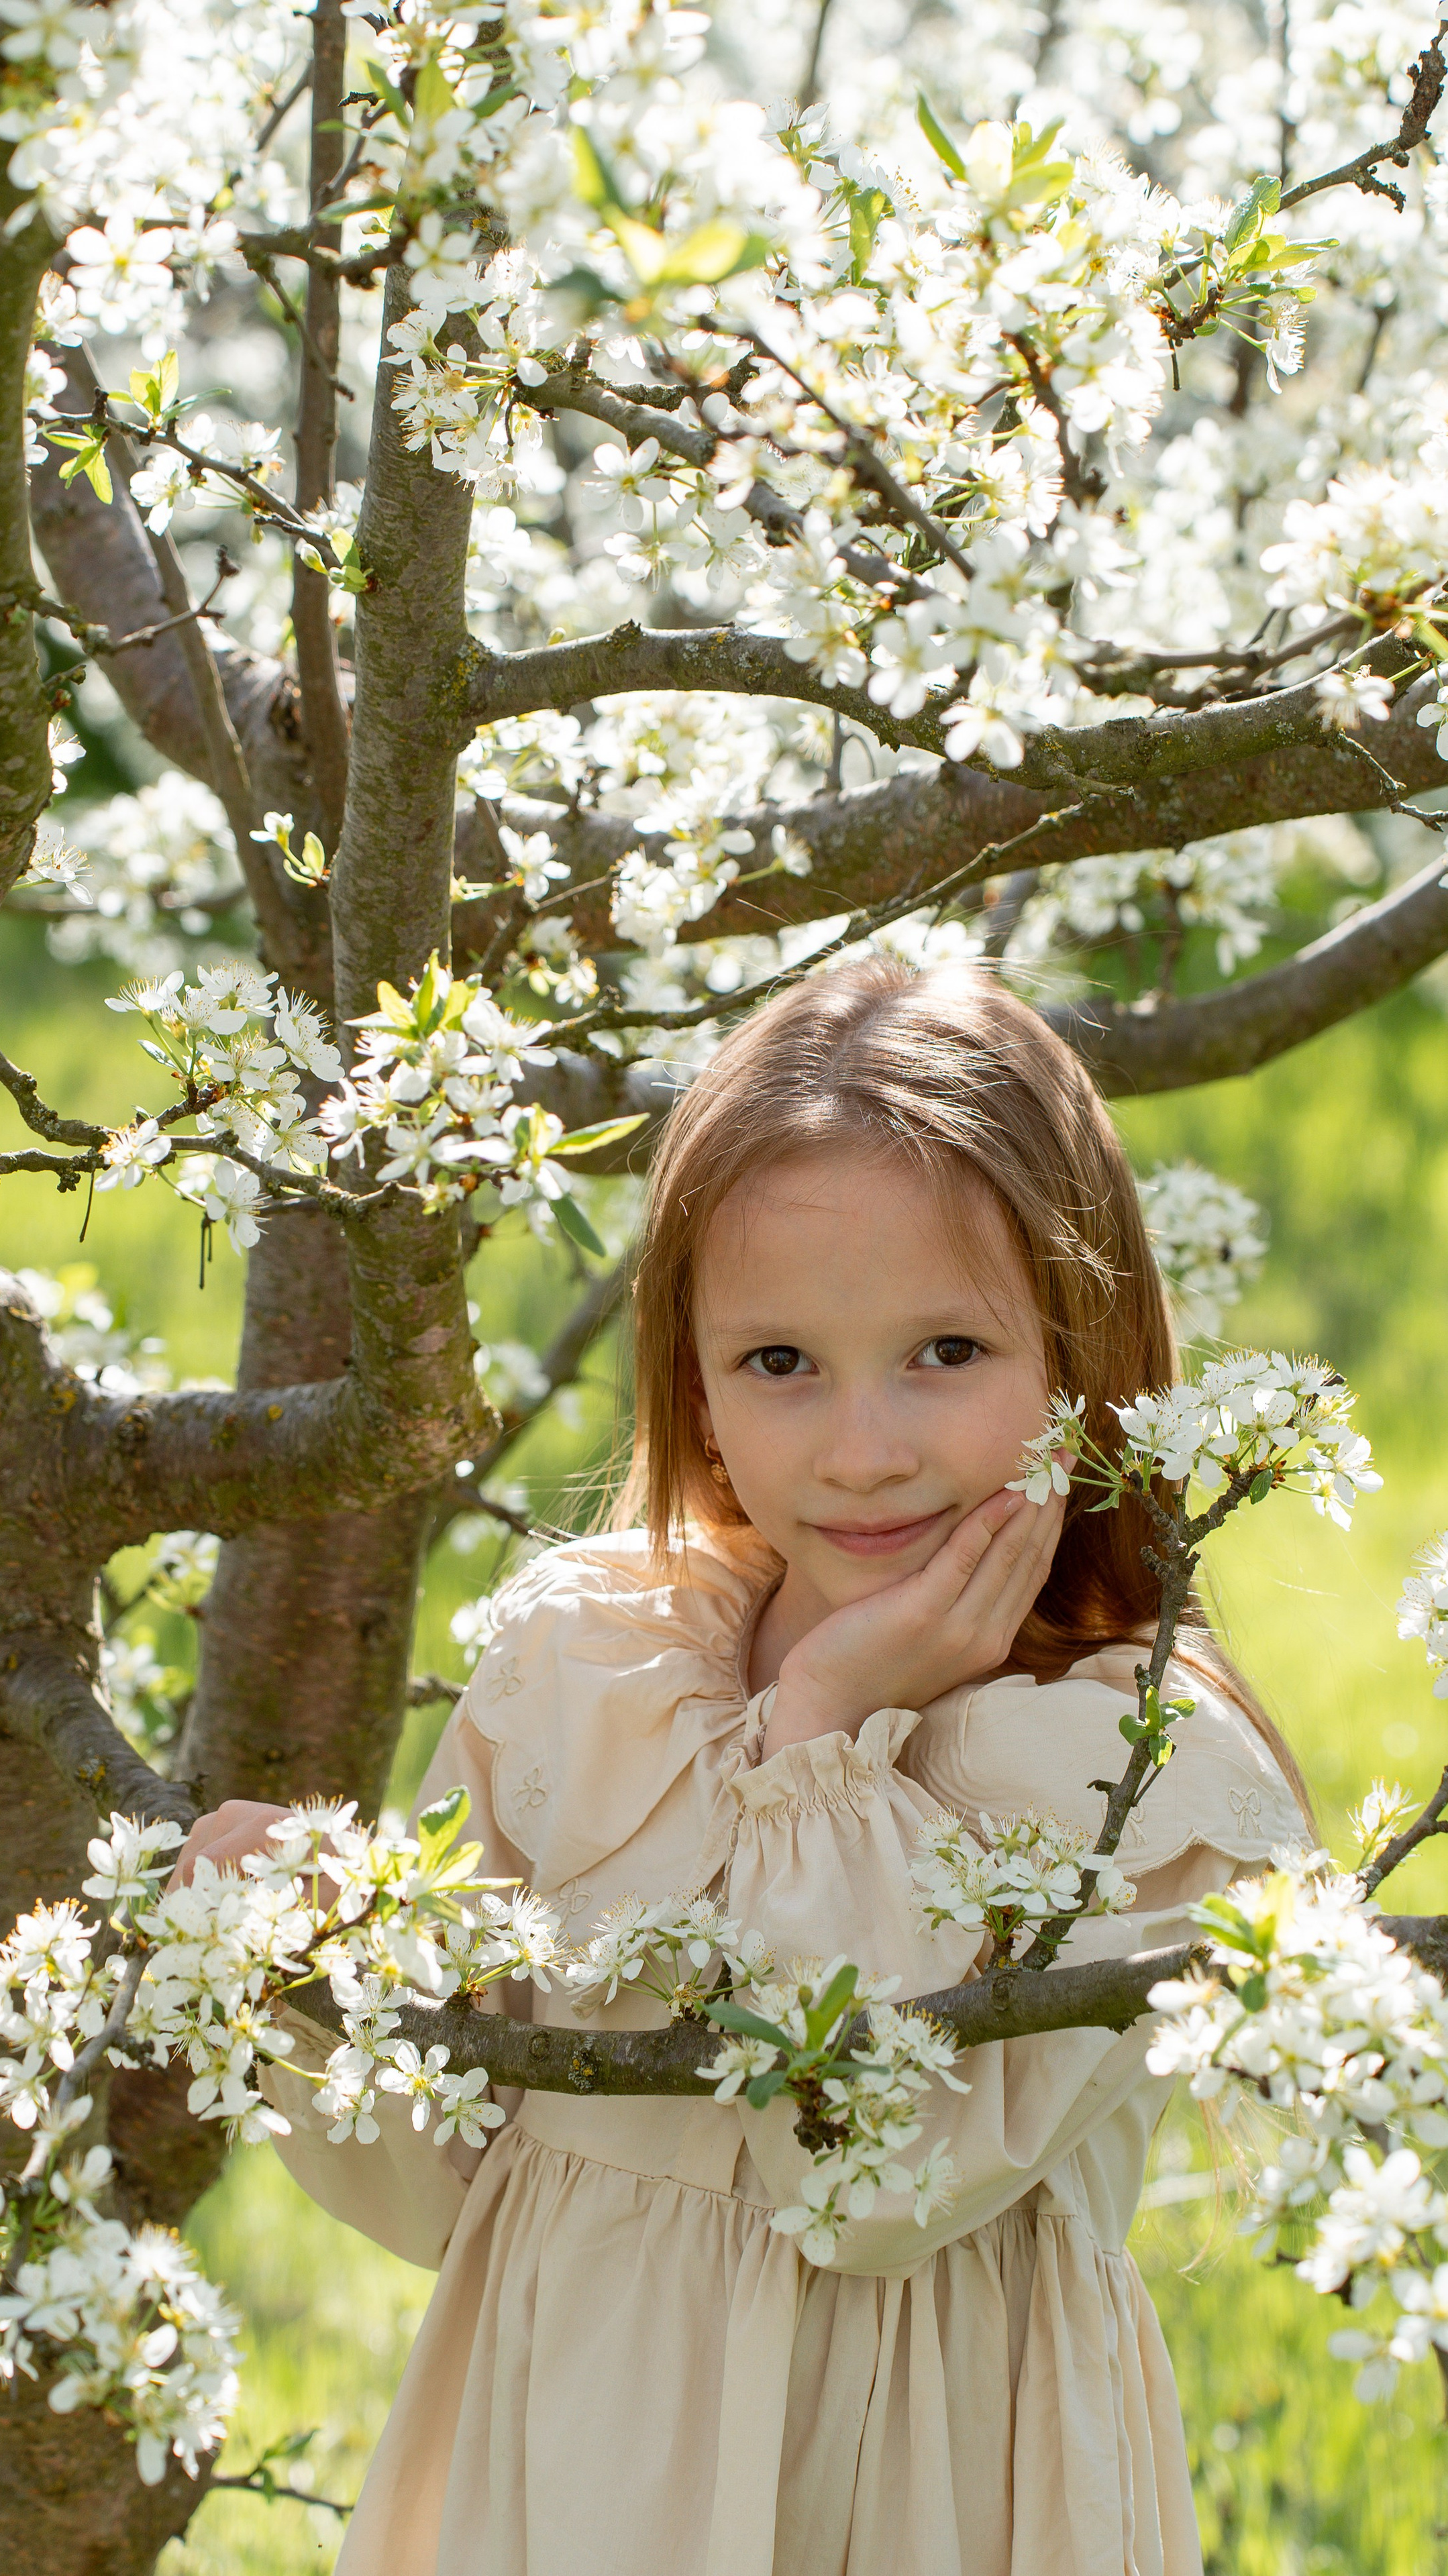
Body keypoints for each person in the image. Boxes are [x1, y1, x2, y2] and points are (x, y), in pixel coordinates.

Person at [174, 958, 1309, 2576]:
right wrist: (298, 1956)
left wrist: (826, 1724)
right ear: (695, 1387)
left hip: (928, 2496)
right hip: (569, 2472)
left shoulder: (1129, 1770)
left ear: (1080, 1361)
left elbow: (867, 2182)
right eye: (780, 1362)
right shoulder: (588, 1676)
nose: (863, 1448)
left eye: (943, 1351)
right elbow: (453, 2189)